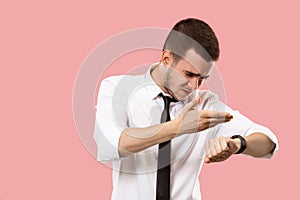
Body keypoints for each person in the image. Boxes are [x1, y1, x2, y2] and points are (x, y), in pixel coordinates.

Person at [93, 18, 278, 200]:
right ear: (166, 58)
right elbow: (110, 144)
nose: (194, 86)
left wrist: (237, 144)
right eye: (189, 74)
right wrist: (177, 128)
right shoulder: (118, 88)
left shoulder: (204, 104)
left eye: (202, 78)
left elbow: (268, 141)